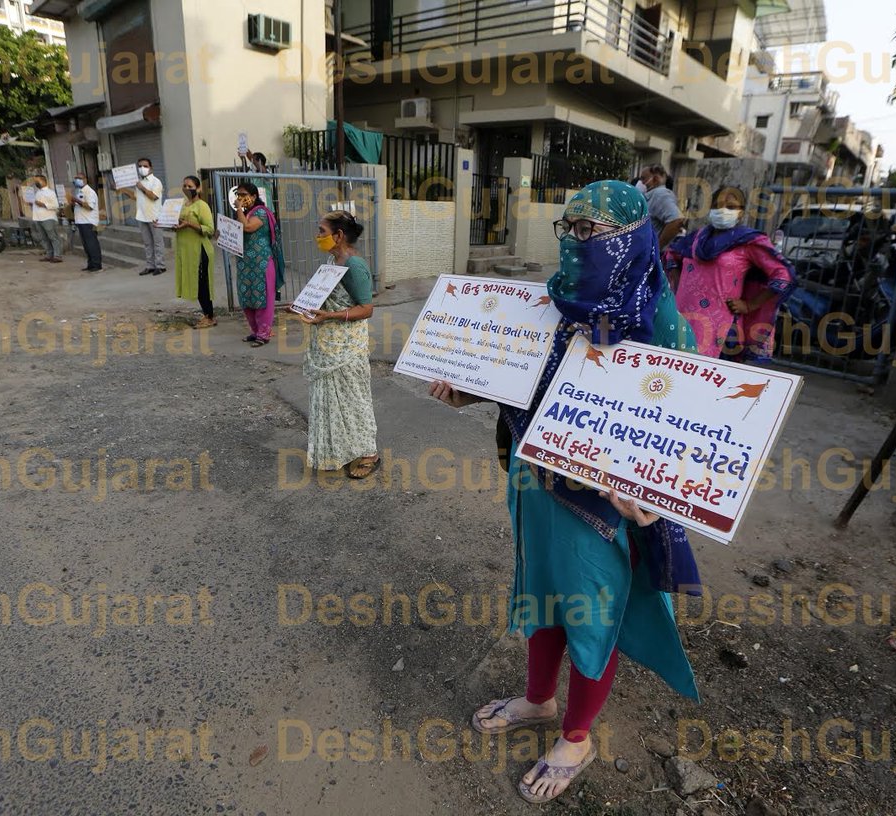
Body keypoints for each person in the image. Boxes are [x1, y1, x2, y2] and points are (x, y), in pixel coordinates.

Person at [429, 180, 702, 804]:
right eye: (569, 229)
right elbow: (519, 379)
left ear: (631, 237)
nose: (577, 244)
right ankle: (538, 700)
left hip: (601, 508)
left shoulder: (658, 319)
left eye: (593, 231)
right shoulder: (546, 304)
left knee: (589, 613)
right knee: (539, 597)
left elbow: (683, 428)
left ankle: (577, 736)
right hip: (534, 483)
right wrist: (468, 386)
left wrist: (650, 490)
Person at [664, 186, 795, 363]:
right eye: (717, 205)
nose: (723, 210)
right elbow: (672, 253)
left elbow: (783, 275)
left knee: (708, 383)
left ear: (741, 213)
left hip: (719, 330)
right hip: (682, 320)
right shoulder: (697, 238)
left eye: (731, 207)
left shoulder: (749, 242)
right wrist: (677, 280)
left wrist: (750, 305)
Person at [298, 210, 378, 479]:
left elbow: (366, 308)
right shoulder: (333, 262)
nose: (317, 236)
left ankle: (369, 453)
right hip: (328, 344)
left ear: (339, 235)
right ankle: (339, 449)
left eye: (321, 231)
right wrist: (300, 307)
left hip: (347, 347)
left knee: (353, 399)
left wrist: (329, 315)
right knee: (332, 401)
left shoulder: (354, 266)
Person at [234, 182, 283, 346]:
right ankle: (255, 332)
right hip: (245, 264)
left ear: (254, 196)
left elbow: (247, 227)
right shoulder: (247, 213)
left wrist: (239, 209)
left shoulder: (261, 212)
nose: (240, 198)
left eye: (243, 195)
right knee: (247, 297)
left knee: (262, 299)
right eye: (238, 195)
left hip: (261, 264)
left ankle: (264, 333)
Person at [173, 175, 217, 328]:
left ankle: (209, 316)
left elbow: (210, 229)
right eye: (184, 186)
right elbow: (178, 223)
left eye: (190, 186)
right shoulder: (184, 205)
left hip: (200, 250)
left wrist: (189, 225)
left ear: (198, 188)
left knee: (202, 284)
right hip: (187, 252)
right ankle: (206, 314)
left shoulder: (202, 206)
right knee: (196, 283)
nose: (186, 189)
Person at [120, 158, 164, 276]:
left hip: (154, 216)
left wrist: (142, 188)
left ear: (151, 168)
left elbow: (154, 197)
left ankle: (160, 265)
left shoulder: (156, 182)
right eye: (140, 166)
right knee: (147, 243)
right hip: (142, 215)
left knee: (157, 242)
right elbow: (136, 197)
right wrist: (123, 189)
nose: (142, 168)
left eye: (145, 166)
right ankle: (150, 265)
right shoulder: (139, 182)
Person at [642, 163, 686, 248]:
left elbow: (676, 221)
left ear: (656, 179)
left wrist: (656, 248)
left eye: (643, 179)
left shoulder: (660, 195)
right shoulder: (650, 196)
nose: (641, 182)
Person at [69, 172, 102, 271]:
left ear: (85, 179)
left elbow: (90, 207)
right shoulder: (79, 191)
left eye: (80, 178)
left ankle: (97, 265)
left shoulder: (89, 192)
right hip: (81, 221)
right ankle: (90, 264)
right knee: (86, 245)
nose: (77, 180)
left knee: (92, 244)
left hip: (89, 222)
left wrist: (77, 201)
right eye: (76, 178)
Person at [30, 175, 63, 263]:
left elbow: (55, 205)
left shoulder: (50, 192)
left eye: (37, 181)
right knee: (44, 238)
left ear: (43, 181)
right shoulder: (37, 192)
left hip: (48, 218)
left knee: (53, 237)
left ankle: (57, 255)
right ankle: (49, 254)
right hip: (38, 218)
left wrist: (44, 205)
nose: (35, 183)